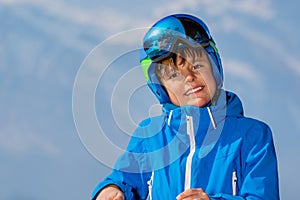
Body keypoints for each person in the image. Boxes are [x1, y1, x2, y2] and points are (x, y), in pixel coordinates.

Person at [91, 14, 279, 200]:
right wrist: (111, 189)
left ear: (215, 67)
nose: (189, 77)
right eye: (174, 75)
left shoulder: (252, 136)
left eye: (197, 66)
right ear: (161, 89)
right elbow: (124, 179)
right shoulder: (150, 136)